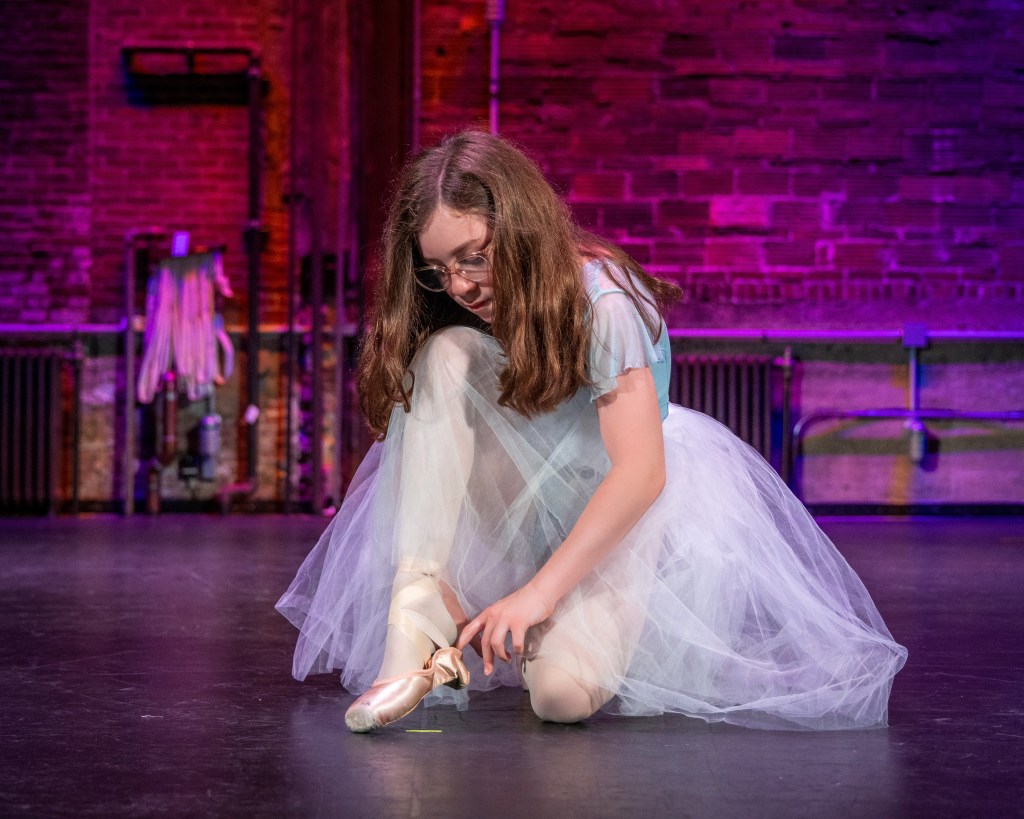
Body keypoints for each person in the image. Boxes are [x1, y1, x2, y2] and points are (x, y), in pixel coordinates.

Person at [276, 130, 907, 733]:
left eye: (475, 257)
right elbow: (449, 439)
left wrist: (538, 597)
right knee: (445, 353)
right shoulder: (465, 312)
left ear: (522, 231)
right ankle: (417, 610)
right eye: (440, 270)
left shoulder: (605, 302)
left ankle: (551, 620)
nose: (461, 285)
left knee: (559, 698)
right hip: (520, 496)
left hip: (620, 510)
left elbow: (641, 473)